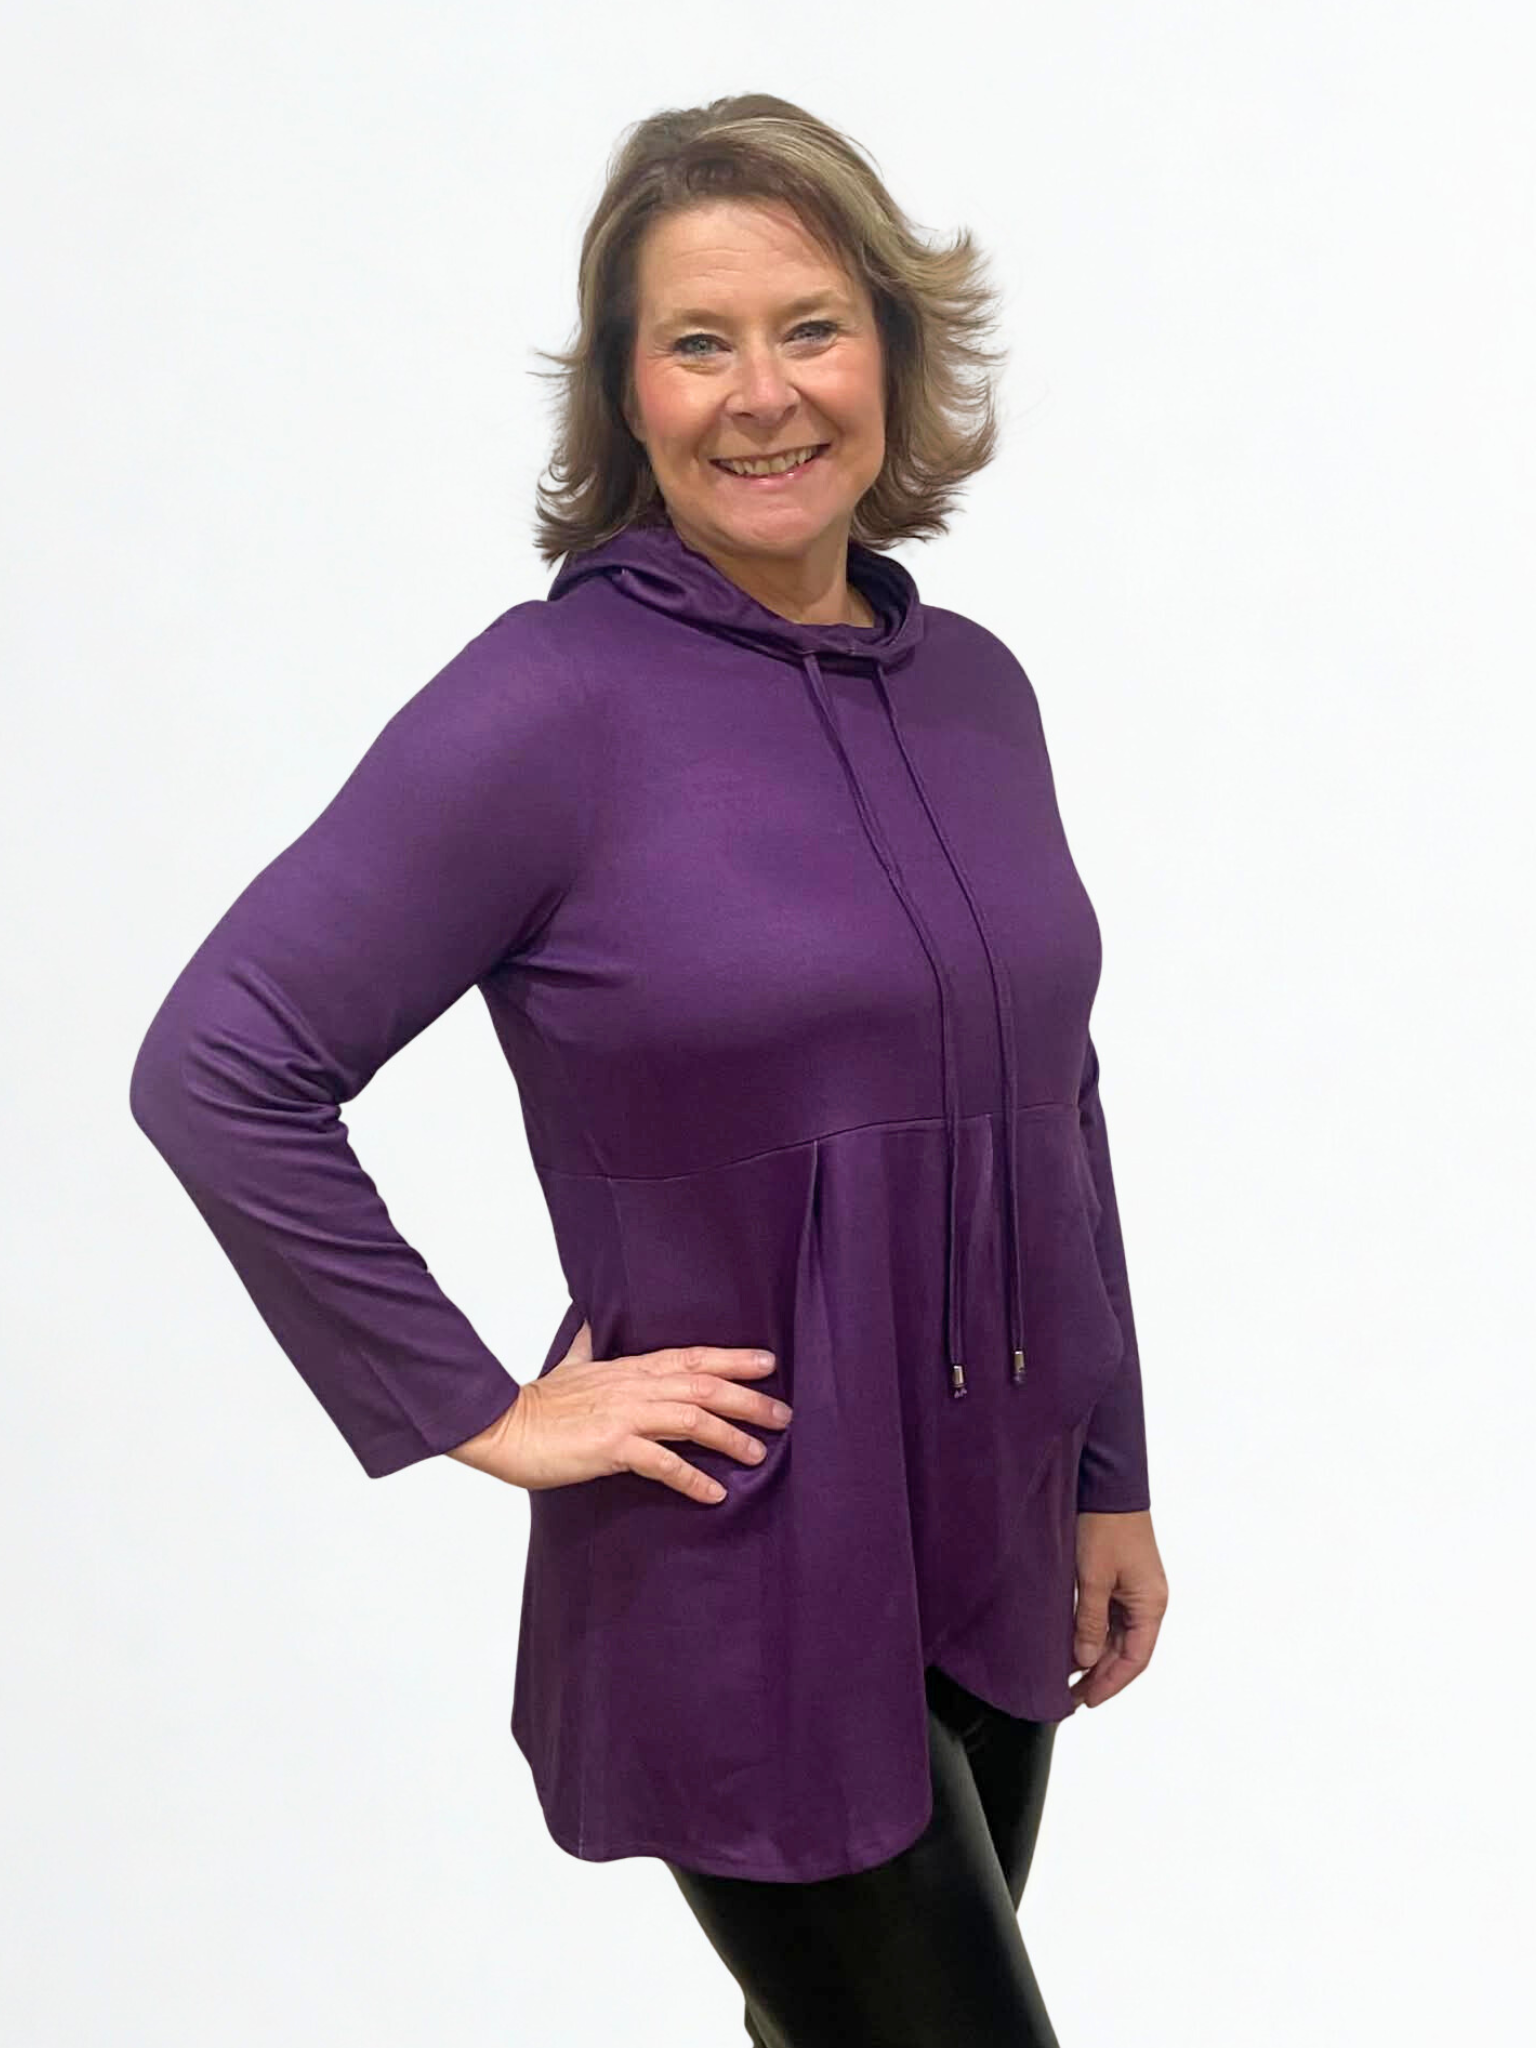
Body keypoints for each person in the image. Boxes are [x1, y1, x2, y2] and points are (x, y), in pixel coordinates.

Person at [129, 92, 1168, 2047]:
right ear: (627, 395)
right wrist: (473, 1403)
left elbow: (1058, 1103)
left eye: (810, 326)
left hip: (996, 1528)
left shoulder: (976, 689)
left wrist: (1109, 1472)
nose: (763, 394)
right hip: (750, 1568)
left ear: (893, 349)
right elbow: (225, 1063)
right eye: (699, 343)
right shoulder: (551, 706)